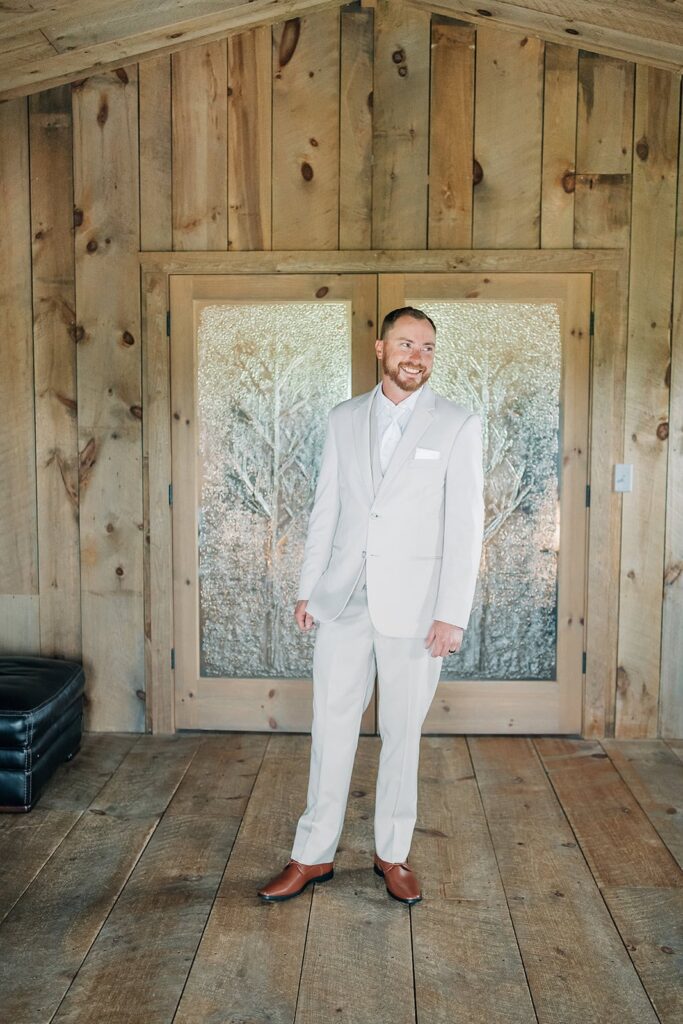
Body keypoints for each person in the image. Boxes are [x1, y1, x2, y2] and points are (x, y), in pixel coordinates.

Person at [258, 307, 485, 905]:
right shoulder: (343, 418)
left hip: (417, 610)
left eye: (428, 347)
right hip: (344, 600)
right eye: (407, 344)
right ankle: (312, 855)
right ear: (381, 348)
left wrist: (452, 613)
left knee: (402, 732)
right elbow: (326, 509)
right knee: (330, 728)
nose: (418, 357)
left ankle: (392, 854)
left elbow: (465, 527)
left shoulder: (457, 424)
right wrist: (309, 588)